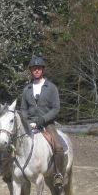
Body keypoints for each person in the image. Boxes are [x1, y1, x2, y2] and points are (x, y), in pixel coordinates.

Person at [18, 56, 66, 187]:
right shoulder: (26, 89)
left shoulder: (51, 87)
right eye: (34, 69)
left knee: (58, 146)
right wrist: (26, 121)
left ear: (42, 70)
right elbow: (23, 108)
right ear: (31, 71)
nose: (36, 71)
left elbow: (56, 108)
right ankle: (12, 171)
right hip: (29, 123)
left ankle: (58, 174)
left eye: (39, 69)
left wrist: (43, 119)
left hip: (47, 124)